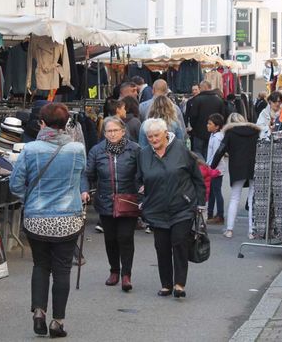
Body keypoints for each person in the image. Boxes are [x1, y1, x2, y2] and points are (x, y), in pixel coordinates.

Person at [9, 103, 90, 338]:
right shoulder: (77, 149)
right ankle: (58, 321)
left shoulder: (30, 149)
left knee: (41, 265)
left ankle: (38, 312)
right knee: (62, 269)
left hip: (37, 218)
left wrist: (31, 199)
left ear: (41, 123)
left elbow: (15, 184)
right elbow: (79, 177)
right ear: (66, 124)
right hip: (67, 218)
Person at [137, 118, 205, 298]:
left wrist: (199, 202)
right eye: (149, 136)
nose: (153, 139)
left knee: (179, 243)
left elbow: (197, 177)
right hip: (156, 208)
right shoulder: (143, 154)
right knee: (162, 246)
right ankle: (166, 284)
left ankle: (179, 284)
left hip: (182, 206)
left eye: (156, 135)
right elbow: (138, 179)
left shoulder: (181, 149)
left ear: (165, 133)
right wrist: (141, 194)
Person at [86, 117, 140, 292]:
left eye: (115, 130)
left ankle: (126, 274)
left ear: (123, 131)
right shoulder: (97, 151)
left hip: (127, 200)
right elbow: (88, 174)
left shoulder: (135, 149)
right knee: (110, 238)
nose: (112, 134)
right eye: (108, 131)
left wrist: (143, 188)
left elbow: (143, 173)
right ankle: (114, 270)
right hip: (105, 200)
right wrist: (84, 189)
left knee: (125, 237)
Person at [210, 113, 261, 239]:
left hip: (237, 167)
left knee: (235, 198)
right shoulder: (255, 132)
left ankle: (229, 230)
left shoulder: (230, 133)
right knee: (252, 198)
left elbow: (220, 150)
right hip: (254, 166)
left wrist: (211, 166)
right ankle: (251, 231)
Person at [187, 81, 226, 159]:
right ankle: (208, 169)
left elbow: (192, 116)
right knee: (210, 154)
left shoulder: (197, 100)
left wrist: (194, 128)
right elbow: (222, 117)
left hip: (199, 133)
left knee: (198, 154)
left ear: (202, 88)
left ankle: (202, 170)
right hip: (213, 132)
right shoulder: (219, 100)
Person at [205, 113, 227, 225]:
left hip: (216, 169)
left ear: (217, 126)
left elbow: (216, 154)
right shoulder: (213, 135)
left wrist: (210, 166)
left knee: (216, 191)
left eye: (210, 124)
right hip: (213, 167)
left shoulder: (217, 138)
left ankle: (220, 215)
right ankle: (211, 213)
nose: (207, 125)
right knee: (213, 192)